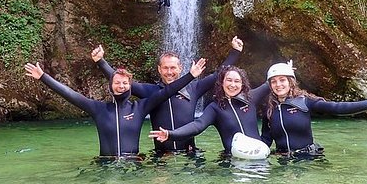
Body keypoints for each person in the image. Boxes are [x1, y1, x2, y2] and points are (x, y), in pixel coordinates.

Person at [92, 37, 253, 155]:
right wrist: (101, 62)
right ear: (159, 69)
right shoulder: (149, 91)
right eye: (166, 68)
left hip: (189, 153)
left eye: (173, 68)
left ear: (180, 67)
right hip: (162, 156)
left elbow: (220, 74)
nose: (170, 72)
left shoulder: (194, 88)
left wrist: (235, 52)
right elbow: (121, 81)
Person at [24, 57, 206, 158]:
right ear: (110, 85)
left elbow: (168, 91)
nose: (121, 86)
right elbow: (71, 95)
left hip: (134, 164)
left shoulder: (141, 107)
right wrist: (43, 77)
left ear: (130, 85)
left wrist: (190, 75)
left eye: (125, 83)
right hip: (105, 164)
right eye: (117, 82)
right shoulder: (98, 109)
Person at [259, 60, 367, 158]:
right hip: (284, 159)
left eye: (282, 80)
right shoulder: (269, 109)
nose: (278, 85)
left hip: (308, 158)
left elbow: (338, 108)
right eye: (274, 81)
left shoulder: (305, 101)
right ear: (270, 85)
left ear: (291, 82)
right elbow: (266, 139)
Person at [149, 65, 271, 158]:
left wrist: (288, 70)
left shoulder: (251, 98)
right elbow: (198, 126)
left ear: (242, 84)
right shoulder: (215, 108)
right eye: (229, 80)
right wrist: (171, 134)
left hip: (259, 156)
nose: (232, 85)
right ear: (222, 82)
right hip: (233, 159)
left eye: (237, 81)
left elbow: (272, 83)